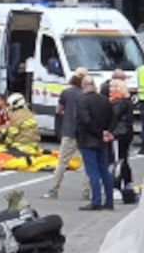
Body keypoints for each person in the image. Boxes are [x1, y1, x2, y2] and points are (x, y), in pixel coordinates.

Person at [42, 67, 87, 199]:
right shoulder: (86, 94)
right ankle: (86, 191)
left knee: (62, 162)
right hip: (84, 133)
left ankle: (54, 189)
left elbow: (58, 110)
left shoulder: (66, 93)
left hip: (69, 131)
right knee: (86, 163)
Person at [76, 75, 114, 210]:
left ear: (83, 85)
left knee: (93, 172)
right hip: (102, 141)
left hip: (88, 140)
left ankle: (96, 201)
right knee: (104, 170)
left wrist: (98, 132)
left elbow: (85, 121)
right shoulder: (104, 100)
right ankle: (109, 200)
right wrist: (107, 131)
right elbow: (112, 117)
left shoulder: (82, 101)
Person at [109, 77, 135, 195]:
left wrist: (109, 131)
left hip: (118, 133)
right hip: (127, 133)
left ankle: (117, 185)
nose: (110, 89)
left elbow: (114, 118)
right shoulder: (127, 101)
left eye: (112, 87)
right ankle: (127, 182)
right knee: (123, 158)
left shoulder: (117, 102)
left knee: (118, 160)